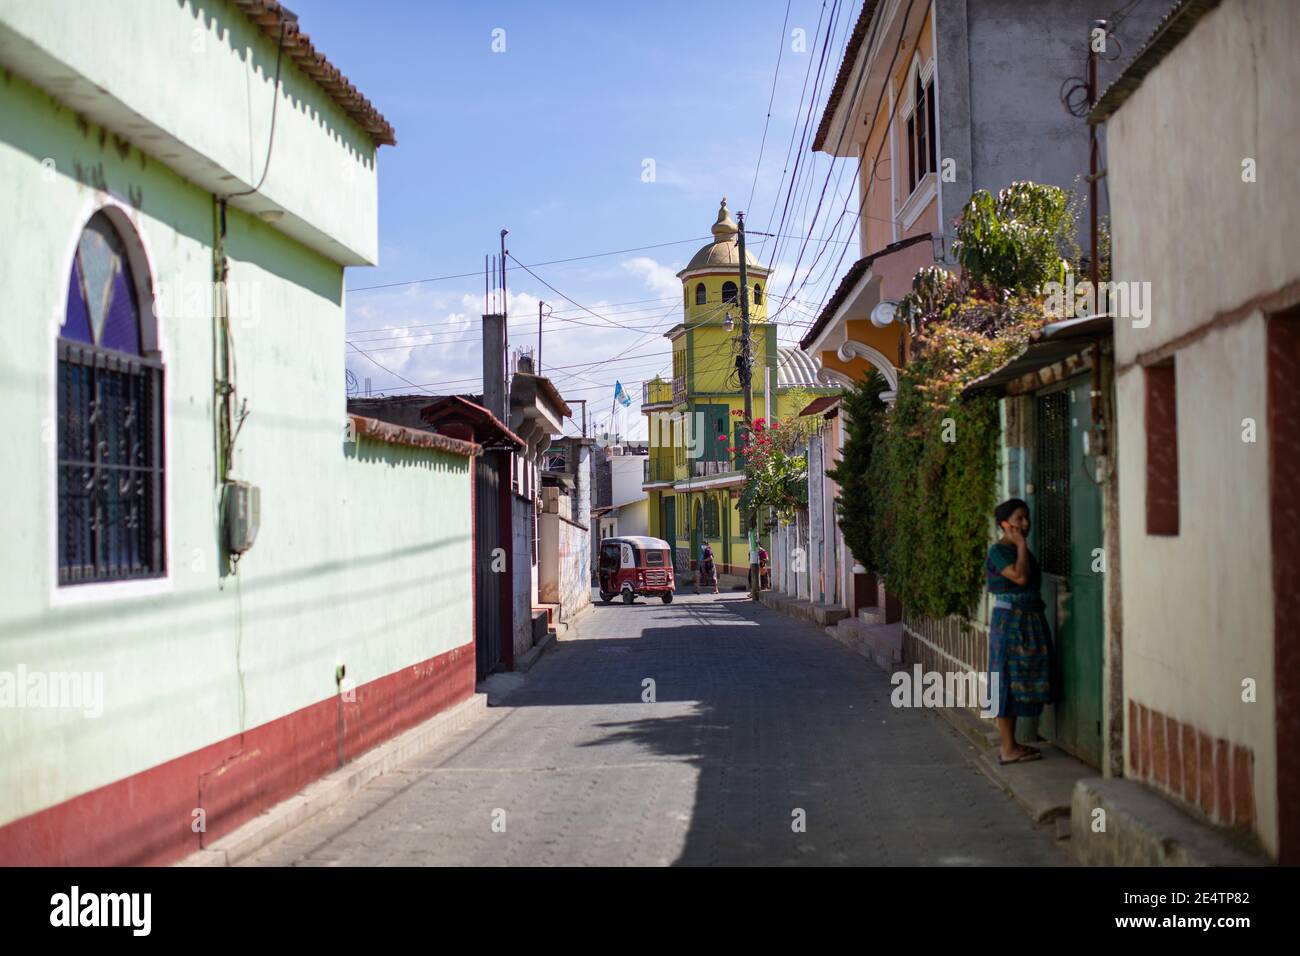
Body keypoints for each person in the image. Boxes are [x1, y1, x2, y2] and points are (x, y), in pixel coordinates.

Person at [985, 498, 1053, 765]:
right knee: (1004, 678)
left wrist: (1023, 546)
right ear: (1005, 525)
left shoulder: (1020, 550)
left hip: (1027, 619)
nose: (1025, 524)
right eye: (1019, 519)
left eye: (1027, 518)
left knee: (1020, 677)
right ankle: (1007, 748)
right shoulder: (999, 551)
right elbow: (1020, 578)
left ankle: (1012, 744)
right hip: (1010, 621)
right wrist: (1022, 544)